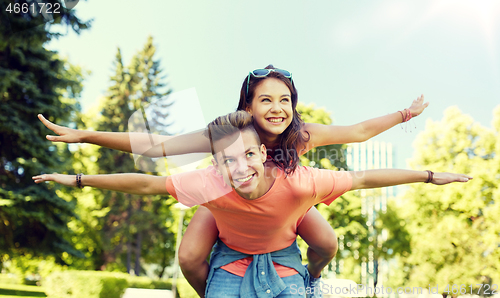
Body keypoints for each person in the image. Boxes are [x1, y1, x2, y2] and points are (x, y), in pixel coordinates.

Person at [37, 65, 429, 297]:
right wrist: (86, 135)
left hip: (283, 200)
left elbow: (358, 131)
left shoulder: (301, 134)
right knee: (189, 257)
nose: (277, 108)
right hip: (228, 198)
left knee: (327, 242)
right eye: (265, 100)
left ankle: (310, 283)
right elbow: (155, 147)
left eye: (285, 100)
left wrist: (404, 115)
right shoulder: (224, 135)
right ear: (248, 105)